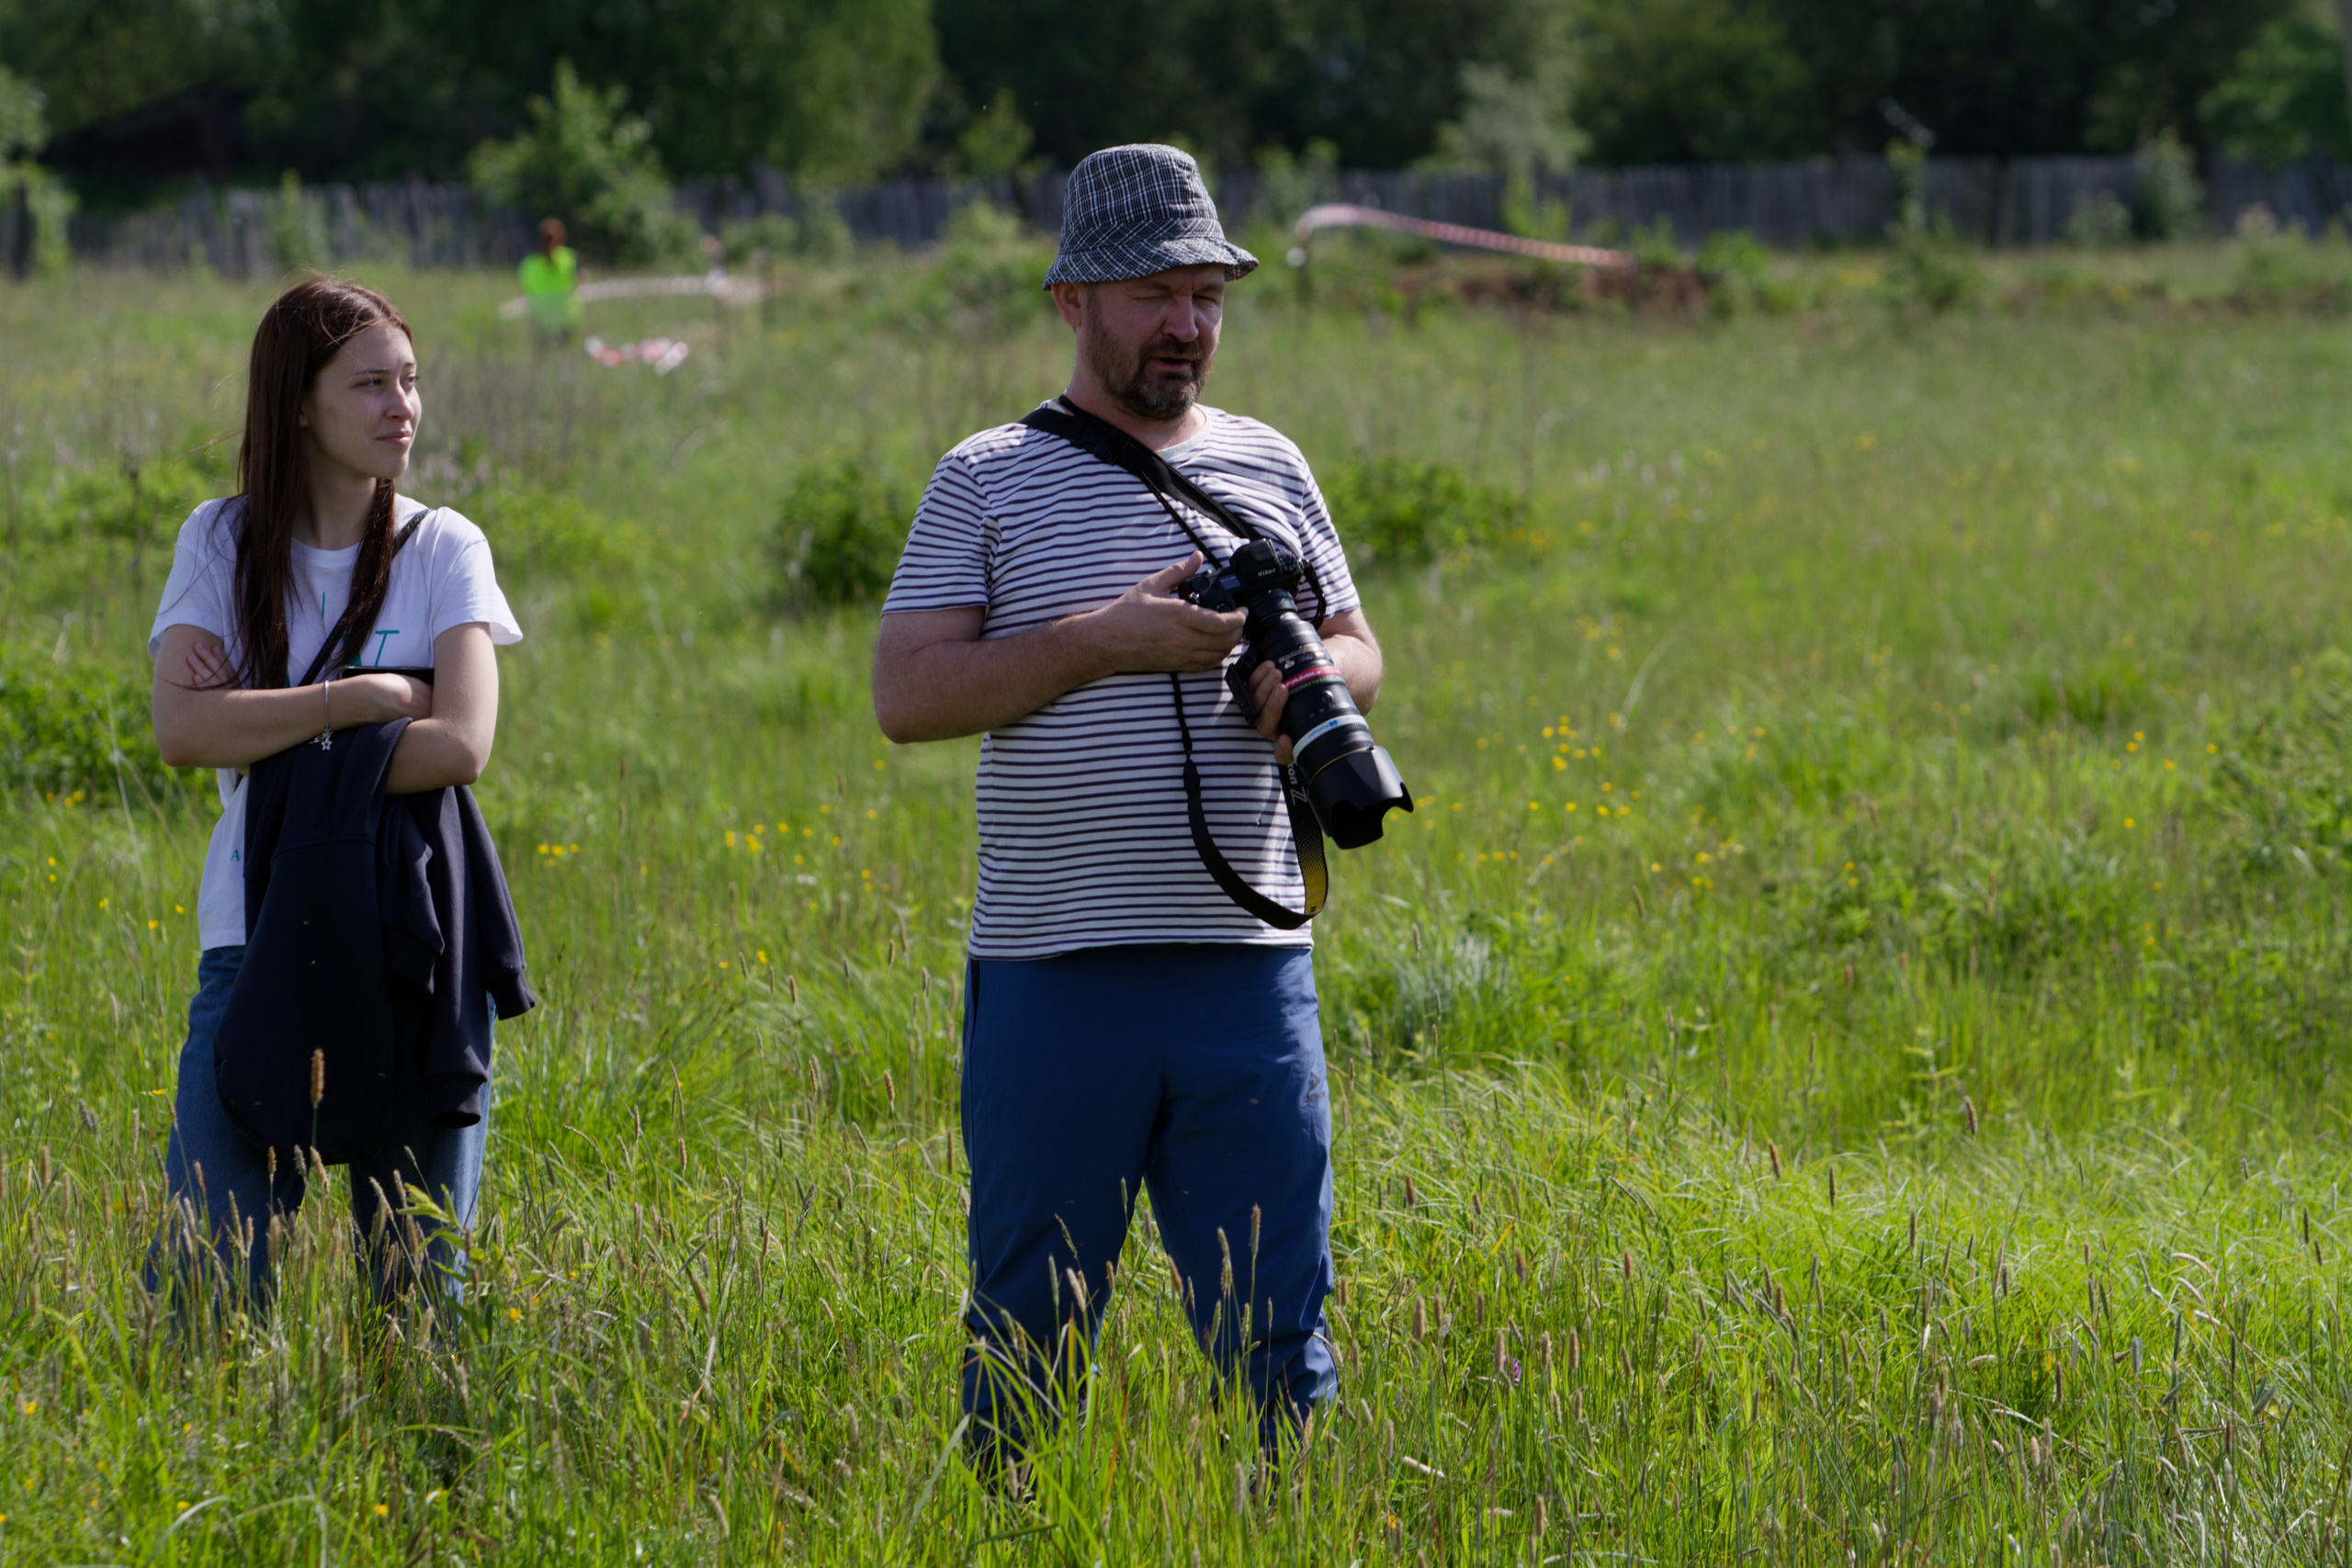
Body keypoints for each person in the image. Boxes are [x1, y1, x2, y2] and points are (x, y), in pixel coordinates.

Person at [872, 144, 1384, 1467]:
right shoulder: (985, 476)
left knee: (1281, 1322)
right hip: (1055, 970)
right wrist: (1104, 642)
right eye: (1154, 294)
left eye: (1207, 295)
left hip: (1248, 966)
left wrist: (1306, 684)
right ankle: (1009, 1526)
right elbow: (906, 694)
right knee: (1029, 1318)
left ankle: (1294, 1525)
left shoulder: (1271, 461)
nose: (1187, 325)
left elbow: (1357, 643)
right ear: (1072, 300)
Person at [146, 277, 525, 1311]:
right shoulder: (221, 542)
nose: (402, 406)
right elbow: (182, 730)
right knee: (205, 1284)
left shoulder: (445, 546)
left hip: (414, 939)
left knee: (418, 1293)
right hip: (253, 933)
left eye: (410, 380)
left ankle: (408, 1424)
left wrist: (265, 724)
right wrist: (363, 698)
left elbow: (461, 744)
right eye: (369, 384)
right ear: (300, 403)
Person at [519, 218, 582, 342]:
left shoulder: (528, 265)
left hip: (540, 321)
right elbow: (576, 283)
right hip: (566, 319)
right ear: (561, 238)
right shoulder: (569, 259)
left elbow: (528, 290)